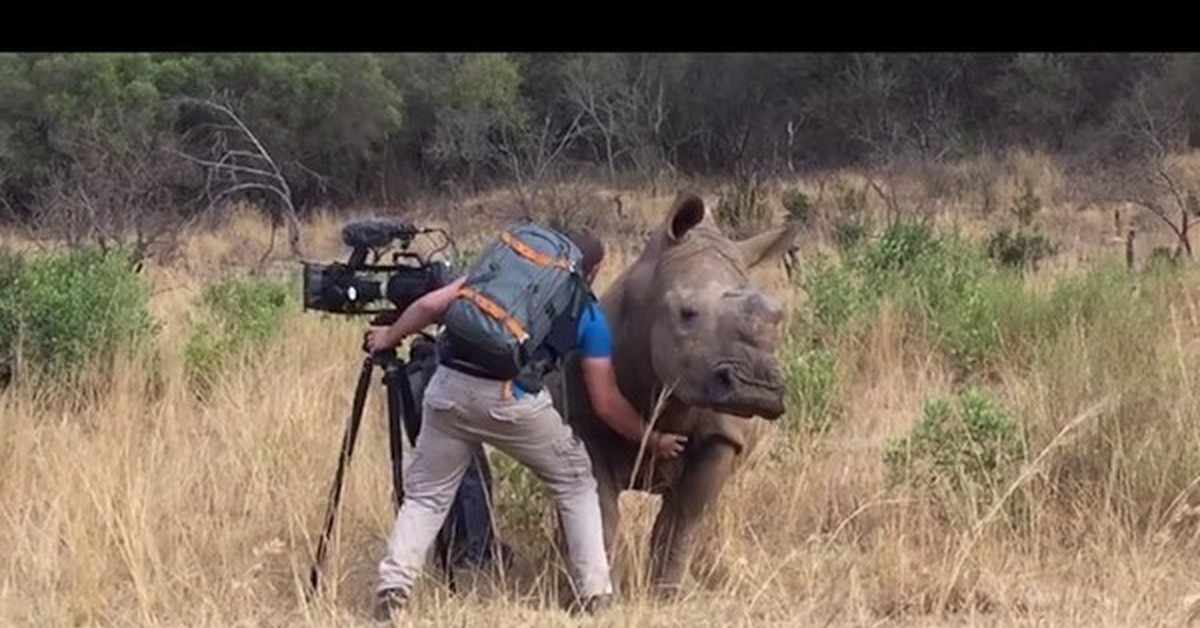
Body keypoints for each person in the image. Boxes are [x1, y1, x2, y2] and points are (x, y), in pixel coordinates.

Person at [365, 228, 688, 621]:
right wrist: (652, 439)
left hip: (447, 387)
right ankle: (595, 594)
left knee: (427, 496)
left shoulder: (498, 278)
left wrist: (388, 336)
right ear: (595, 269)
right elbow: (605, 403)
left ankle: (394, 586)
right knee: (575, 481)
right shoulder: (587, 313)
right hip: (512, 402)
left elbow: (430, 306)